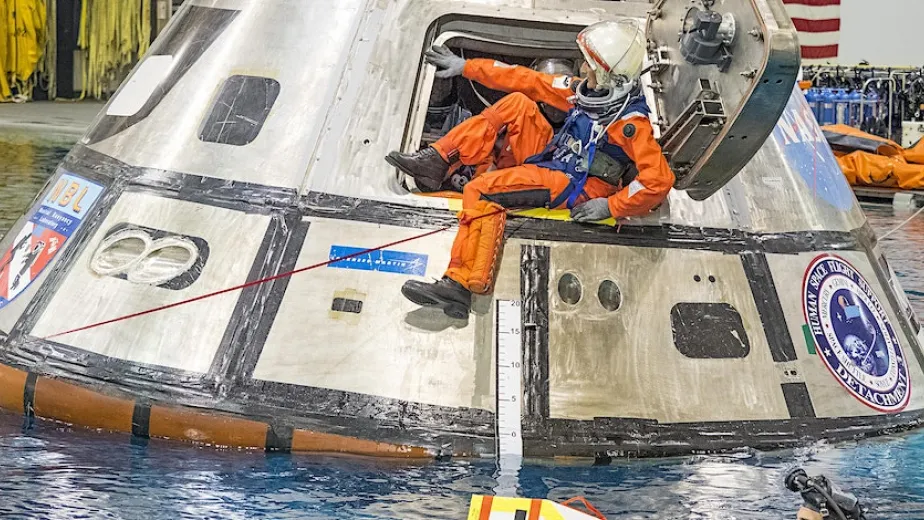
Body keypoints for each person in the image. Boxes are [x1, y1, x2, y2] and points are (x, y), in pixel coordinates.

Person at [385, 20, 675, 319]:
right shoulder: (584, 93)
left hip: (578, 185)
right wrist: (467, 67)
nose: (582, 71)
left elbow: (658, 181)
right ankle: (438, 160)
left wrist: (610, 205)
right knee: (519, 103)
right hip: (559, 159)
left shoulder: (630, 125)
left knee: (481, 190)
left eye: (588, 65)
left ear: (606, 76)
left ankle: (460, 284)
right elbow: (525, 79)